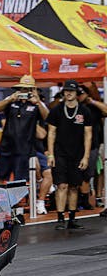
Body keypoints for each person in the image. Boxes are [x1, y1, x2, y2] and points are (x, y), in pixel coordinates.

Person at [46, 79, 93, 230]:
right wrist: (51, 154)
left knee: (74, 186)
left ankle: (72, 218)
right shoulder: (56, 110)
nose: (69, 93)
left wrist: (86, 156)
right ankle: (60, 218)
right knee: (62, 185)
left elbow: (88, 135)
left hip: (77, 154)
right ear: (63, 92)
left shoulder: (84, 111)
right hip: (60, 153)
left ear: (76, 93)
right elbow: (51, 133)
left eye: (71, 91)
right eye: (67, 91)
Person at [0, 75, 49, 190]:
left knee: (19, 180)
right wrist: (10, 99)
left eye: (28, 89)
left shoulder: (36, 103)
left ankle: (18, 201)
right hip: (7, 146)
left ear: (33, 90)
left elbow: (47, 117)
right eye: (23, 88)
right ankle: (0, 200)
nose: (25, 92)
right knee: (0, 177)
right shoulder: (12, 99)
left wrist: (37, 102)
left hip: (24, 148)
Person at [76, 83, 107, 210]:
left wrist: (91, 101)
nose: (79, 96)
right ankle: (78, 199)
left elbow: (106, 110)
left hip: (93, 144)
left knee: (88, 173)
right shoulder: (72, 107)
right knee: (77, 173)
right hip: (75, 145)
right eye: (78, 94)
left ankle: (85, 199)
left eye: (81, 94)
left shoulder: (93, 107)